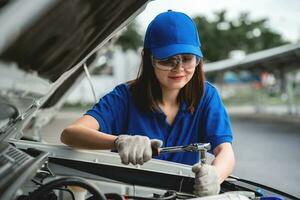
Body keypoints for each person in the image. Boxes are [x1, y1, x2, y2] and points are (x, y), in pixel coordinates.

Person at [61, 10, 235, 197]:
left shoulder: (206, 96)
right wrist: (119, 141)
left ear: (198, 59)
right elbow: (70, 134)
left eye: (186, 59)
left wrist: (215, 176)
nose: (179, 69)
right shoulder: (124, 97)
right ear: (149, 59)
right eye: (168, 60)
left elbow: (225, 150)